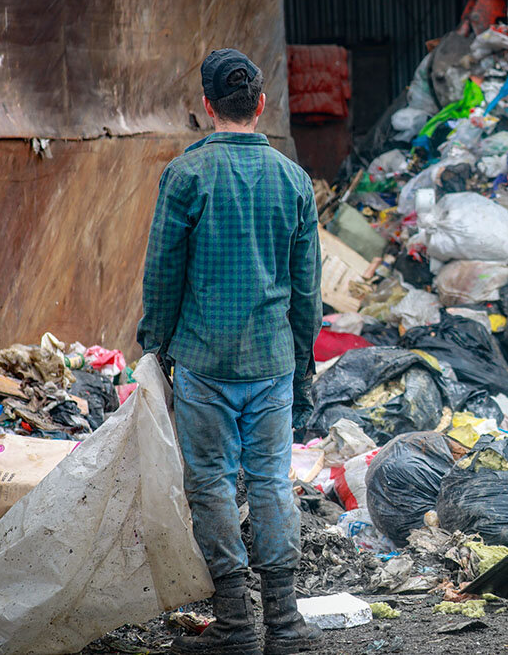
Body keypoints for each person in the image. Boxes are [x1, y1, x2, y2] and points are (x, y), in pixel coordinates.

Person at [138, 48, 324, 655]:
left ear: (206, 106)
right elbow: (307, 288)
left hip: (204, 361)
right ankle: (287, 625)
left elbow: (164, 273)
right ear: (261, 105)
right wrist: (302, 363)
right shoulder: (293, 179)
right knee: (271, 482)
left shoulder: (186, 175)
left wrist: (156, 346)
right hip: (272, 362)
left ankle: (236, 625)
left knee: (212, 484)